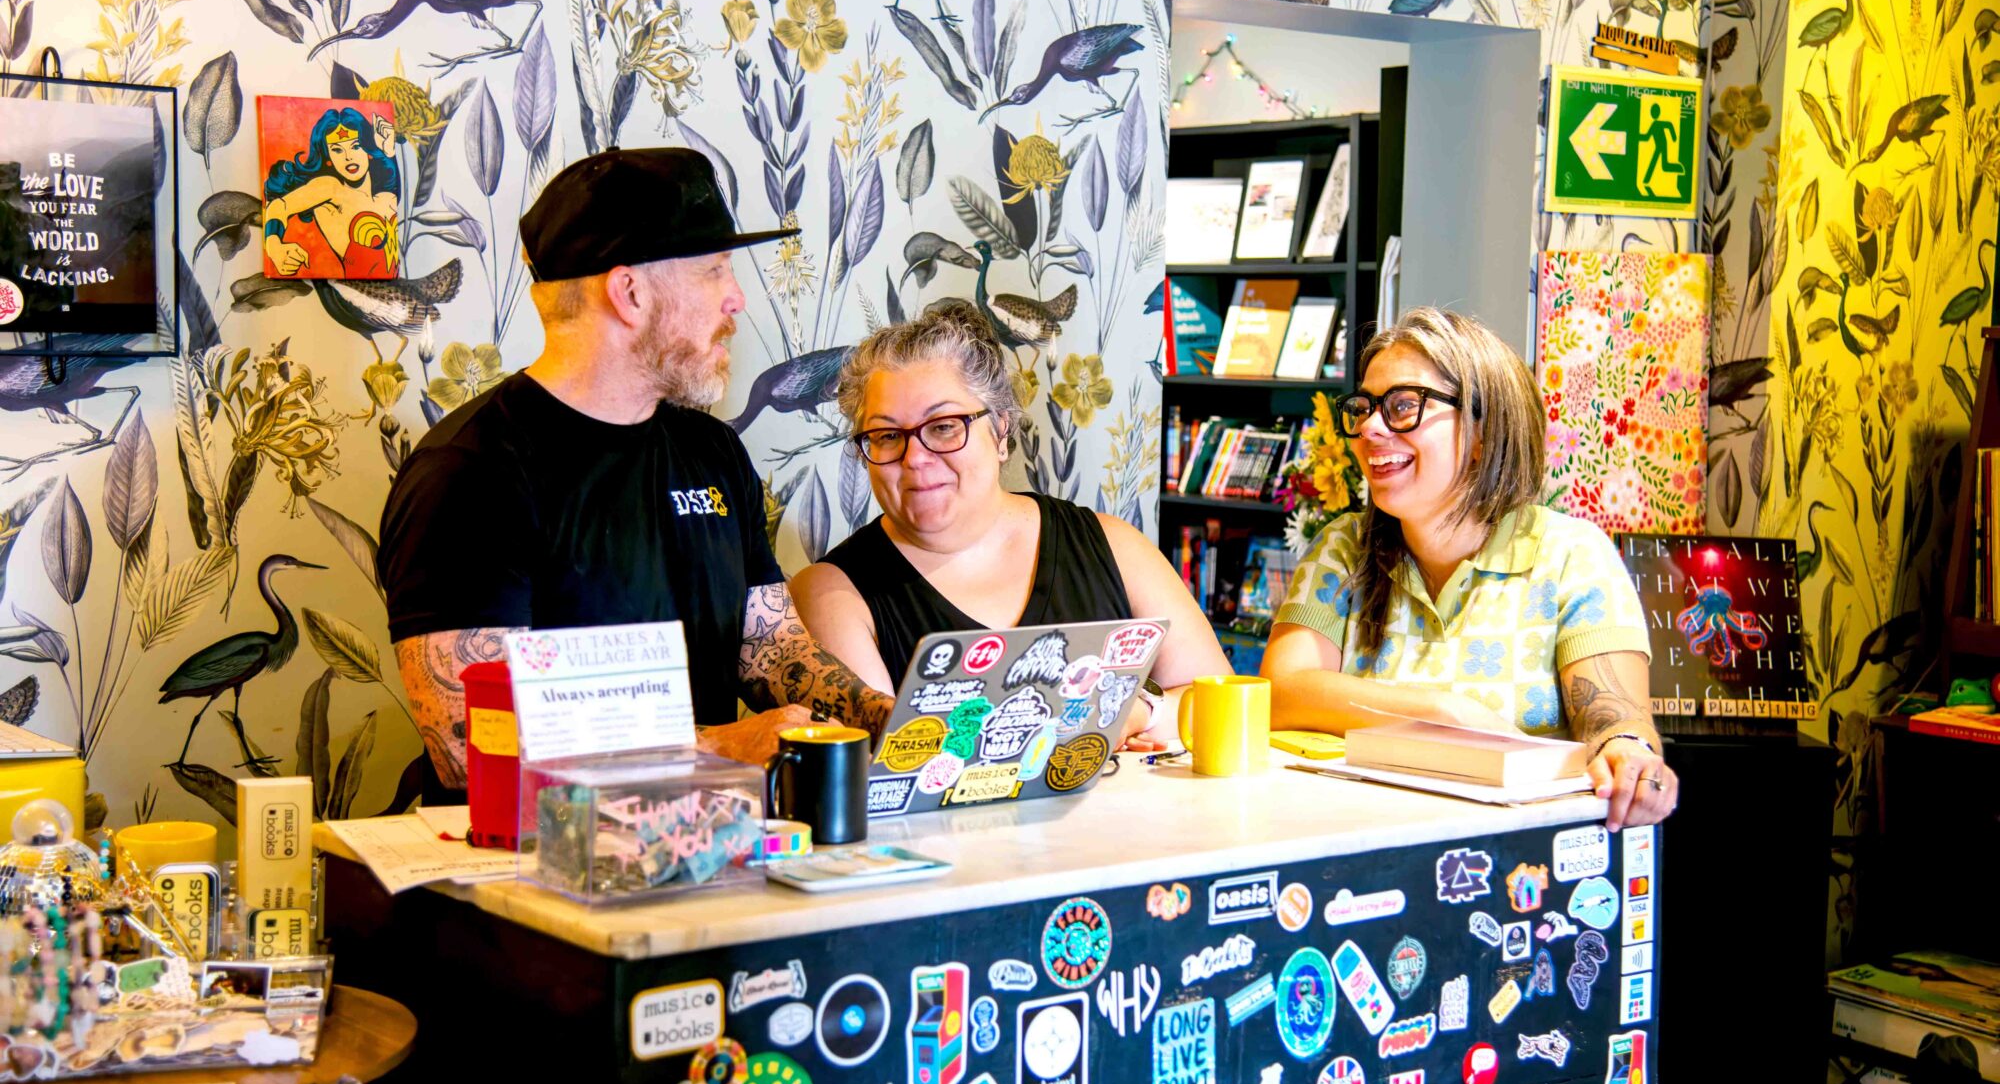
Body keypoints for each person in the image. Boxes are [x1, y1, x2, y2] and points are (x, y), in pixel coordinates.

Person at [379, 148, 892, 796]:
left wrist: (890, 717)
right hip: (523, 872)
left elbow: (772, 652)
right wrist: (719, 748)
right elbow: (468, 749)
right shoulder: (470, 474)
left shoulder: (713, 452)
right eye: (714, 271)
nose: (737, 299)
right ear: (629, 292)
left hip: (693, 856)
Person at [1261, 307, 1678, 831]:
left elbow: (1614, 717)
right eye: (1365, 407)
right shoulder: (1344, 548)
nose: (1368, 428)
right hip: (1358, 842)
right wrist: (1441, 712)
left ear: (1484, 432)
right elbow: (1280, 691)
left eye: (1403, 406)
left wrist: (1626, 752)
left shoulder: (1571, 554)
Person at [791, 301, 1230, 735]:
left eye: (944, 426)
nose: (916, 459)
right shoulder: (830, 594)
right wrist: (1102, 717)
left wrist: (1140, 713)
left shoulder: (1111, 545)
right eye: (887, 435)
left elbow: (1223, 701)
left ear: (1000, 431)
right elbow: (892, 759)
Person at [262, 106, 402, 279]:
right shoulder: (331, 188)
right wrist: (274, 246)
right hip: (358, 296)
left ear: (368, 149)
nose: (348, 157)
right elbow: (279, 206)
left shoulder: (387, 197)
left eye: (356, 146)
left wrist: (388, 152)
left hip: (394, 295)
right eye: (337, 150)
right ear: (328, 157)